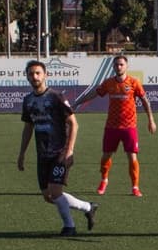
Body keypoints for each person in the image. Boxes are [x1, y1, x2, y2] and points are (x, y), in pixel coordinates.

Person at [16, 59, 98, 236]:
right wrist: (22, 153)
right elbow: (28, 127)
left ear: (45, 75)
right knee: (48, 196)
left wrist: (69, 150)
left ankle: (69, 227)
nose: (34, 76)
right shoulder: (28, 100)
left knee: (55, 192)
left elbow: (73, 124)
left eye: (37, 73)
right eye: (31, 74)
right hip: (42, 153)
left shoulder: (56, 97)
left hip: (59, 151)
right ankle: (87, 207)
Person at [86, 53, 157, 196]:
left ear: (126, 66)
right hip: (111, 127)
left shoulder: (134, 82)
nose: (118, 67)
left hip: (129, 127)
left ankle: (135, 187)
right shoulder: (108, 83)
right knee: (106, 156)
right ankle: (104, 180)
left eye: (121, 64)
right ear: (113, 66)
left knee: (132, 157)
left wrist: (151, 120)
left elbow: (145, 101)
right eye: (116, 64)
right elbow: (95, 93)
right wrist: (77, 103)